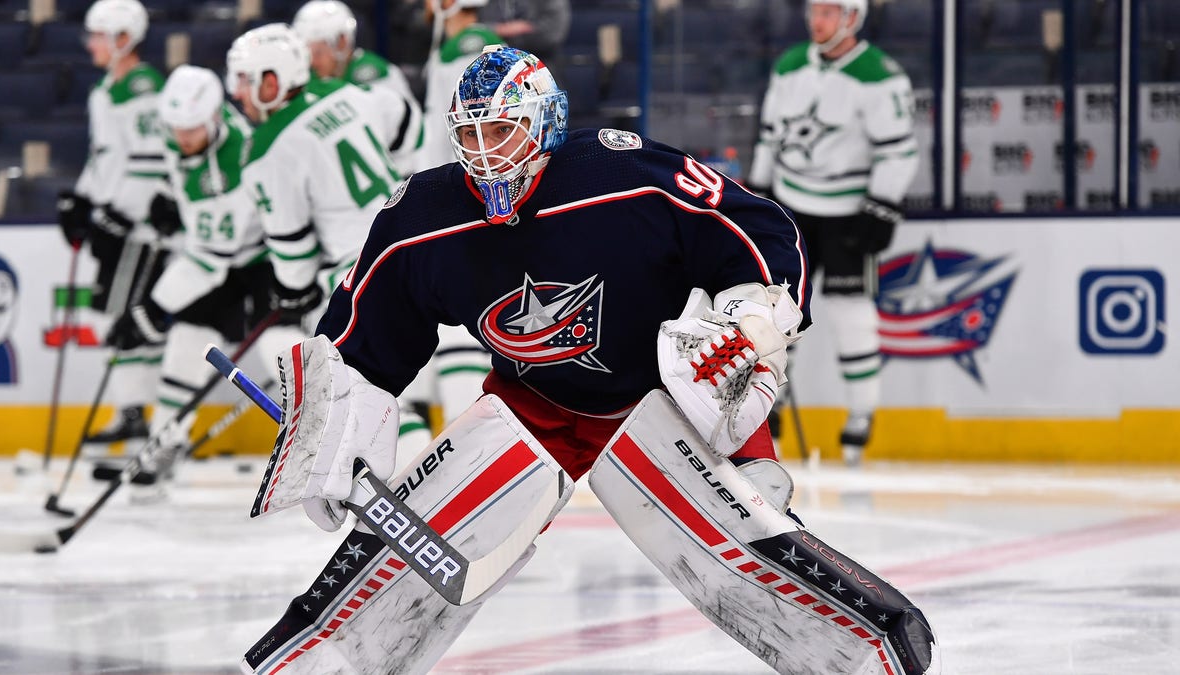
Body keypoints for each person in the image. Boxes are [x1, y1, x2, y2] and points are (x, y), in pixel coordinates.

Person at [240, 46, 938, 675]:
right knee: (404, 556)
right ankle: (316, 662)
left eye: (502, 131)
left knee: (750, 555)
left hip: (664, 398)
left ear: (543, 125)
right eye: (471, 133)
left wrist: (754, 322)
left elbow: (755, 226)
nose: (484, 154)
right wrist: (334, 438)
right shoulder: (427, 213)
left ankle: (868, 657)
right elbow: (364, 331)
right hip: (531, 406)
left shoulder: (624, 174)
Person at [224, 23, 431, 455]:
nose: (237, 93)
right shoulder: (348, 93)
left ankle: (432, 496)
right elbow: (410, 125)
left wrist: (292, 291)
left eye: (244, 80)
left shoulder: (267, 149)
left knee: (367, 399)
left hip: (363, 273)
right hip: (419, 243)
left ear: (272, 80)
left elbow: (294, 257)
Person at [747, 0, 918, 466]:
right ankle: (769, 410)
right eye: (814, 10)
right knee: (780, 312)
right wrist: (760, 193)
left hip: (847, 212)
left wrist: (882, 208)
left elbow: (899, 151)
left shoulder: (880, 76)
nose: (816, 20)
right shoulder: (789, 65)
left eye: (829, 11)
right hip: (792, 207)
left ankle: (860, 417)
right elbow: (769, 134)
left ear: (852, 17)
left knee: (850, 312)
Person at [100, 64, 281, 483]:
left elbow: (208, 258)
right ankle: (163, 446)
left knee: (284, 349)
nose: (183, 139)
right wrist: (171, 200)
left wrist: (151, 311)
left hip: (266, 260)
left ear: (216, 117)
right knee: (186, 343)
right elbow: (186, 185)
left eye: (192, 129)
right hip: (221, 256)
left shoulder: (235, 158)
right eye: (177, 128)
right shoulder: (180, 135)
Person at [57, 0, 169, 446]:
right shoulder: (106, 89)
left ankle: (139, 417)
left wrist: (118, 216)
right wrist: (82, 201)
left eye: (99, 36)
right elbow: (106, 157)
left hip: (138, 232)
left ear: (124, 38)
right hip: (117, 224)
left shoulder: (144, 88)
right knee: (116, 316)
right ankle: (132, 414)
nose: (91, 46)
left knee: (129, 318)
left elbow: (150, 164)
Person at [414, 0, 502, 171]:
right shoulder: (494, 41)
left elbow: (439, 124)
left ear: (449, 2)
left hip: (465, 166)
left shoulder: (453, 53)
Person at [292, 0, 415, 100]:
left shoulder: (375, 72)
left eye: (318, 53)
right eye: (307, 55)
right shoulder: (305, 79)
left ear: (341, 43)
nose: (312, 62)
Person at [479, 0, 571, 69]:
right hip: (495, 65)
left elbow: (552, 34)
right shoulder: (489, 4)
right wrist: (506, 29)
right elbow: (476, 29)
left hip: (541, 65)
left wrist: (507, 33)